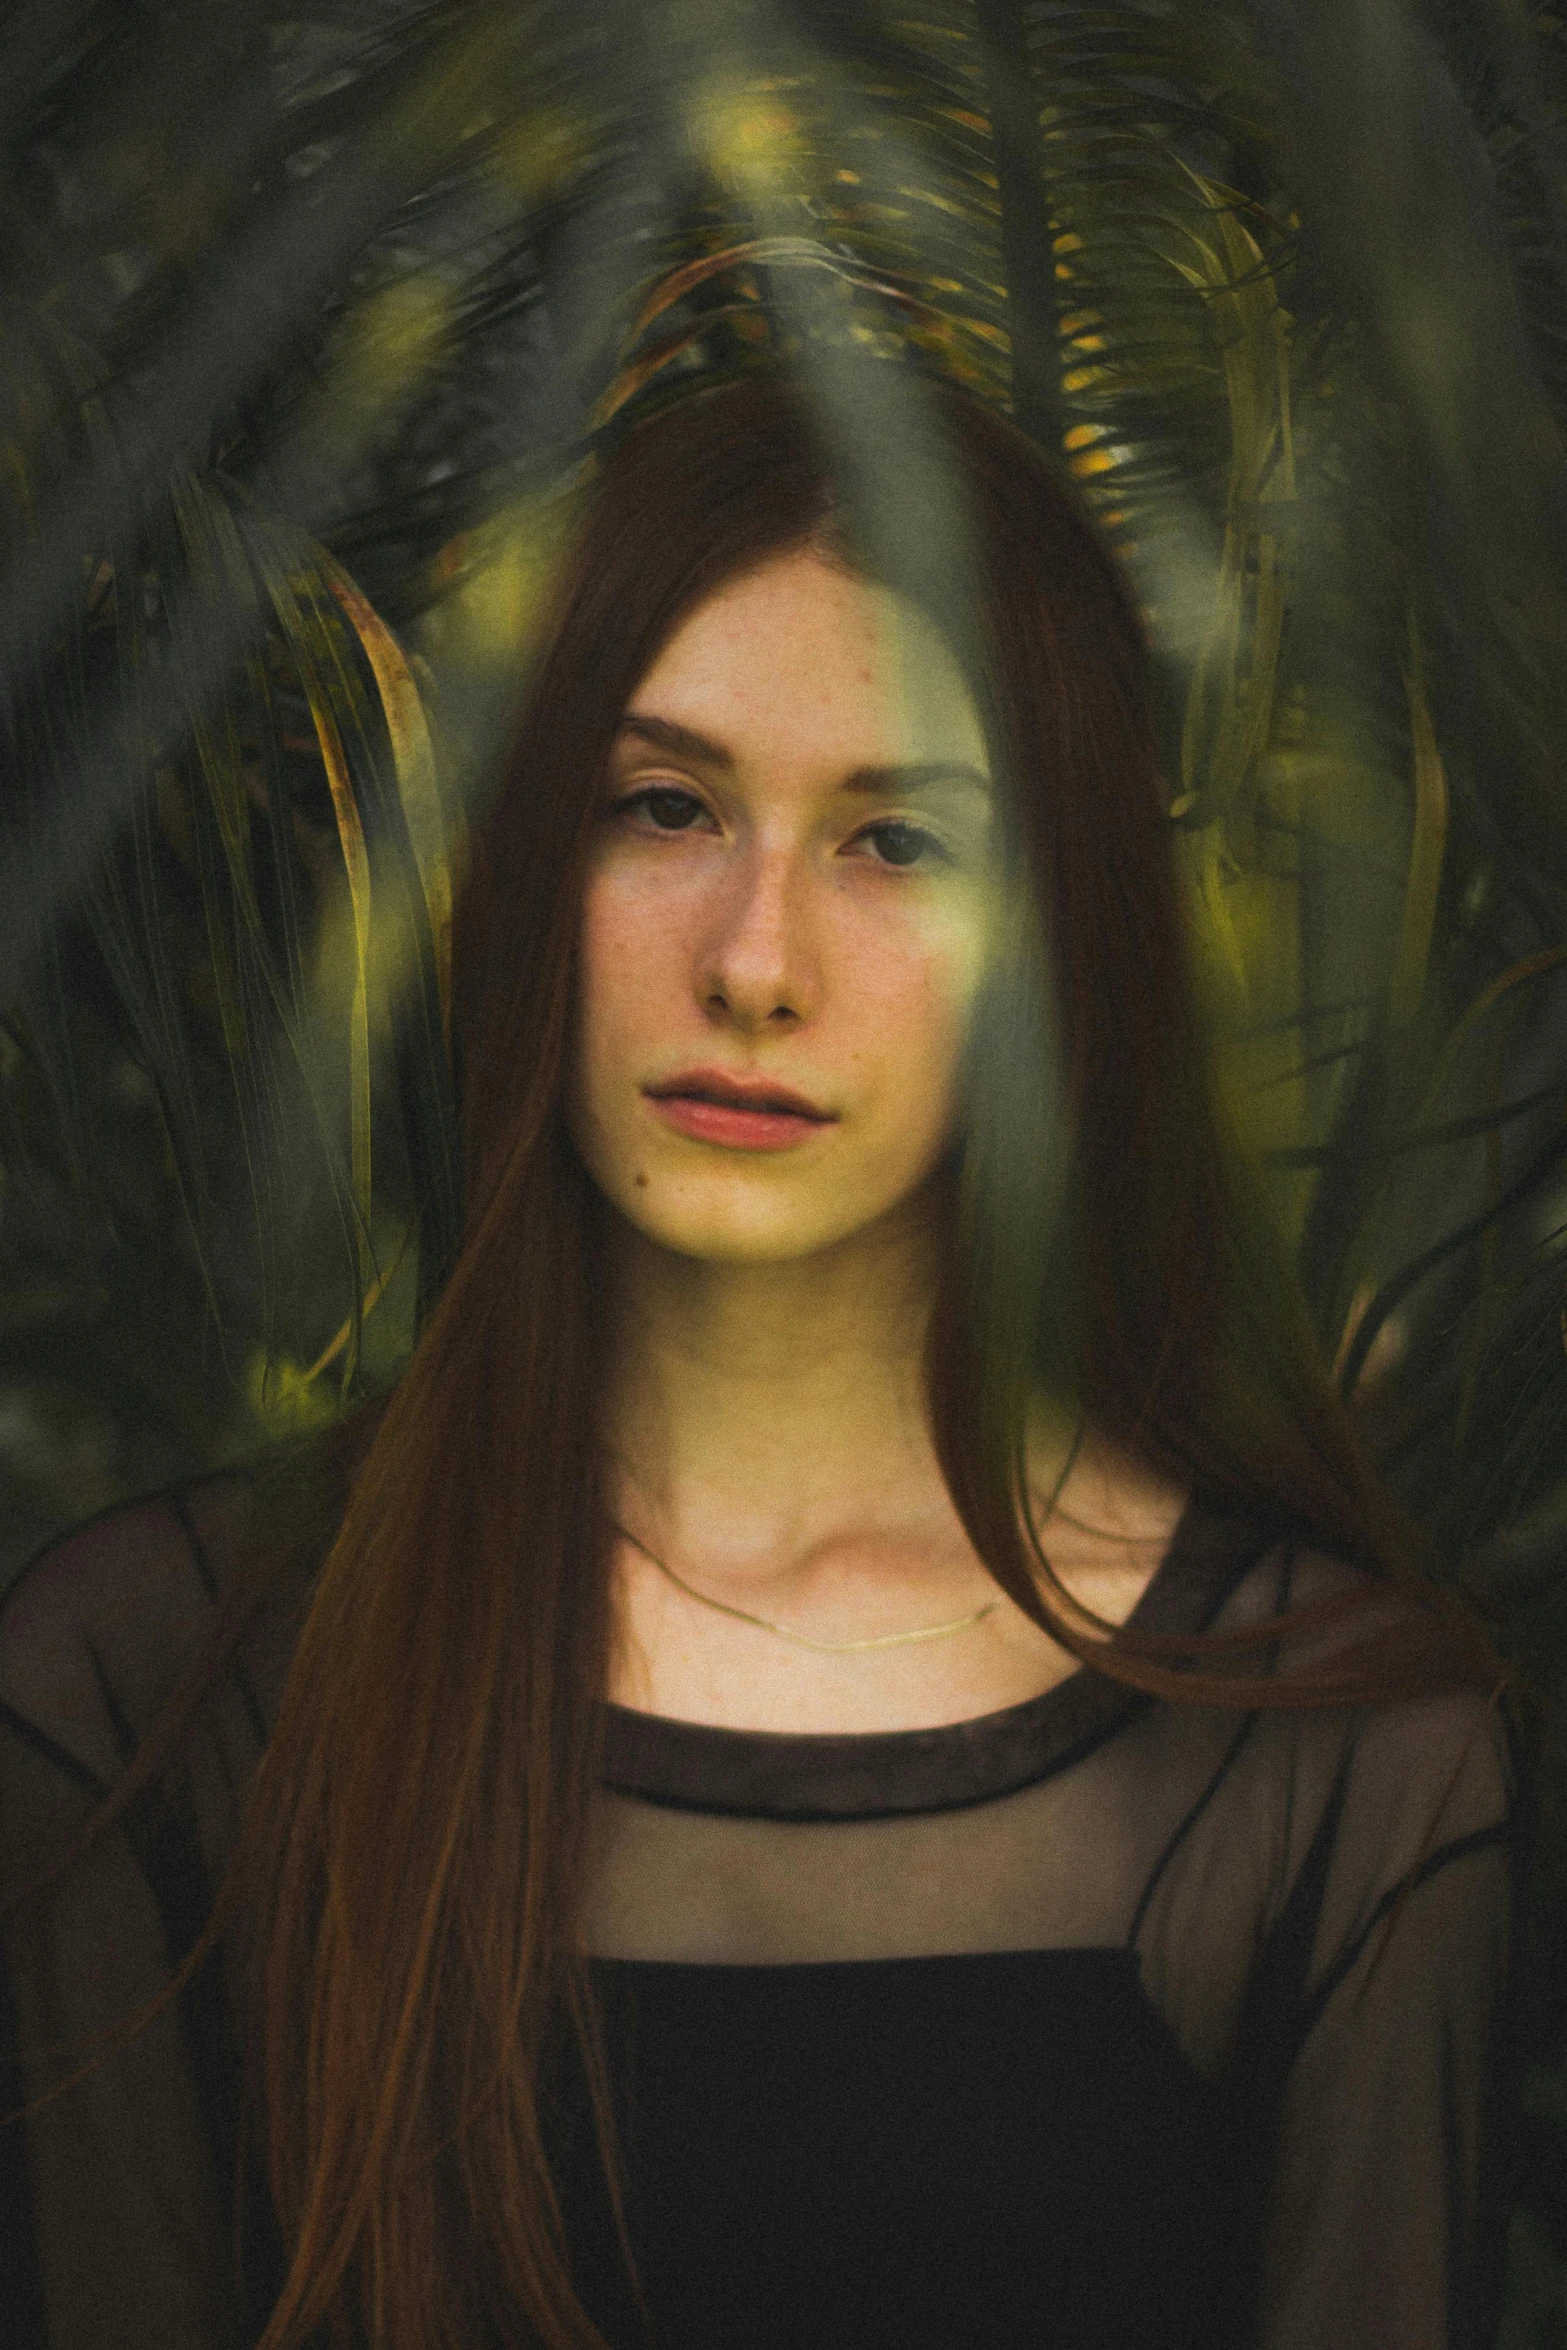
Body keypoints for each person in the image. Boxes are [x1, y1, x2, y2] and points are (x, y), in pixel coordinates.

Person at [0, 367, 1523, 2350]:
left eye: (897, 841)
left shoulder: (1341, 1753)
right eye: (666, 805)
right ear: (534, 863)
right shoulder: (141, 1685)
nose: (755, 957)